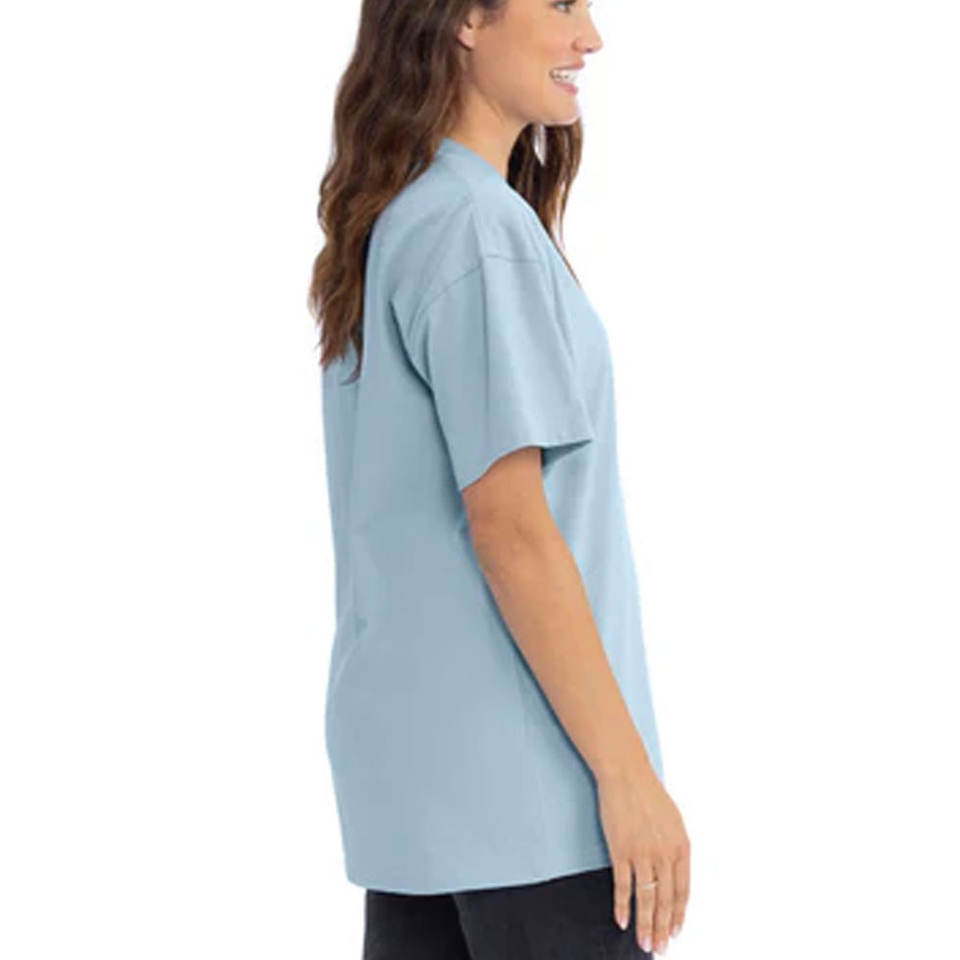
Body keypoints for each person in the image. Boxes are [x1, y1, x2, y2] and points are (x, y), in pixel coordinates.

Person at [307, 1, 691, 957]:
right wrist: (628, 776)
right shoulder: (477, 229)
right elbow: (512, 531)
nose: (589, 36)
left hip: (415, 799)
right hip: (532, 799)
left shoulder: (395, 219)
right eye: (560, 3)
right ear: (466, 18)